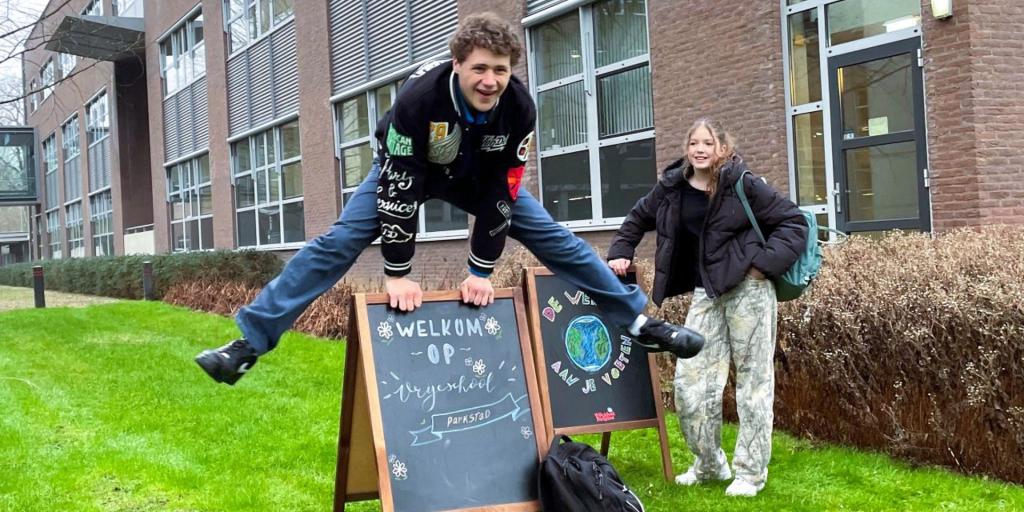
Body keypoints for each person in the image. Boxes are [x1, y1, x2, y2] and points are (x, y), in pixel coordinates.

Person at [195, 13, 704, 386]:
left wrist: (480, 270)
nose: (490, 81)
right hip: (404, 169)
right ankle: (249, 344)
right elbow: (398, 195)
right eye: (480, 68)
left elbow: (503, 194)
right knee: (338, 242)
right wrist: (398, 273)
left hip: (479, 175)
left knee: (558, 240)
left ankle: (638, 322)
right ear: (457, 63)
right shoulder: (419, 101)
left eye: (501, 70)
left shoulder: (520, 109)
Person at [607, 117, 808, 497]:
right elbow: (637, 218)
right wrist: (620, 251)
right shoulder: (671, 188)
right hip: (707, 292)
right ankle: (710, 464)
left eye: (708, 143)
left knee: (753, 385)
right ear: (687, 148)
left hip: (749, 290)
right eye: (694, 143)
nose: (700, 149)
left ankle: (750, 473)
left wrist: (762, 267)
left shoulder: (742, 184)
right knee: (690, 383)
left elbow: (793, 223)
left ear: (721, 147)